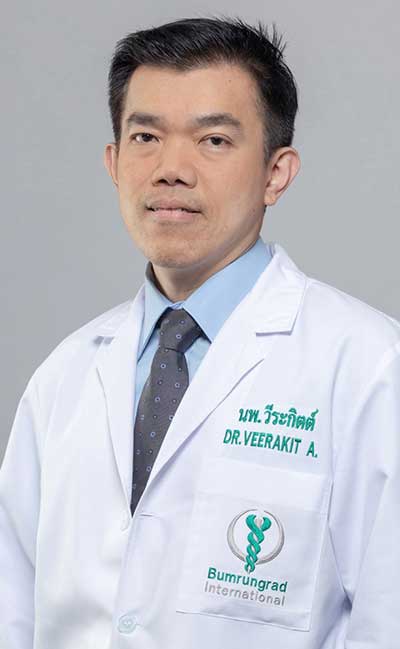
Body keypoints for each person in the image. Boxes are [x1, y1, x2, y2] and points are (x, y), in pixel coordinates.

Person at [1, 15, 399, 649]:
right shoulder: (64, 377)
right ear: (113, 163)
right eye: (146, 137)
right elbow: (13, 614)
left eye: (213, 140)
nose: (171, 169)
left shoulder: (372, 369)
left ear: (275, 173)